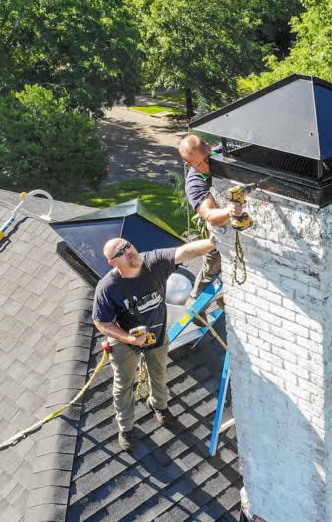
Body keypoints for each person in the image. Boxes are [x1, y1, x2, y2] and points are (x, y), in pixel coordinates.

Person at [92, 236, 215, 451]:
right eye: (120, 252)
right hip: (125, 341)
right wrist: (129, 338)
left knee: (158, 374)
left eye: (127, 245)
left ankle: (159, 406)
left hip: (157, 334)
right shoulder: (108, 287)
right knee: (123, 386)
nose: (128, 250)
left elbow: (185, 252)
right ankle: (126, 427)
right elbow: (101, 322)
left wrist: (213, 243)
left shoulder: (153, 262)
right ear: (113, 262)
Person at [178, 134, 241, 305]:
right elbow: (209, 214)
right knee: (212, 267)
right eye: (199, 164)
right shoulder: (195, 182)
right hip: (217, 232)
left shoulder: (222, 153)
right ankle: (194, 301)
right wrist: (229, 212)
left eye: (206, 158)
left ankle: (223, 300)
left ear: (209, 147)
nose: (206, 165)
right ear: (189, 164)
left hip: (234, 227)